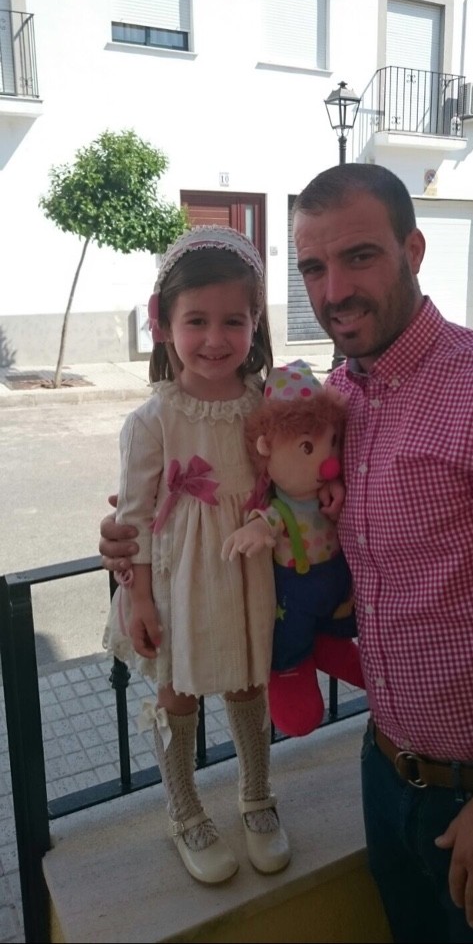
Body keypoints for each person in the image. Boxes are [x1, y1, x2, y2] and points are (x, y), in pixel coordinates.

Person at [100, 165, 473, 943]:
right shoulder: (339, 399)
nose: (334, 290)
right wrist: (137, 546)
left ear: (414, 250)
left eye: (359, 256)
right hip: (389, 775)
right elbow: (255, 497)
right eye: (312, 267)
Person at [102, 225, 290, 886]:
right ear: (163, 323)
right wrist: (140, 599)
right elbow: (133, 519)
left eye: (233, 320)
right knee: (175, 690)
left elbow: (286, 484)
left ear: (256, 323)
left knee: (248, 680)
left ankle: (256, 795)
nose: (215, 338)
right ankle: (183, 809)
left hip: (245, 572)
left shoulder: (266, 403)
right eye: (197, 320)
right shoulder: (152, 420)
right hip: (176, 579)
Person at [221, 359, 365, 737]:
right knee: (291, 637)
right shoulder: (282, 508)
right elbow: (267, 519)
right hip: (295, 598)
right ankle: (289, 668)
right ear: (266, 448)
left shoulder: (331, 492)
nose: (328, 462)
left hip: (334, 593)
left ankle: (330, 642)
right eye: (307, 447)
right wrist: (255, 528)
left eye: (331, 442)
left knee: (337, 628)